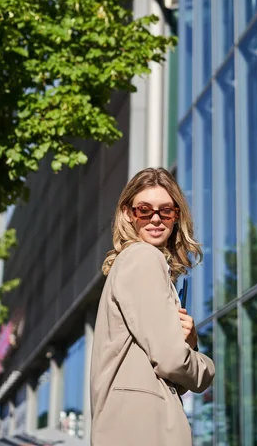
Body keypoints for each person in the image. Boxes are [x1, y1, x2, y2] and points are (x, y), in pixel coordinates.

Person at [90, 167, 215, 446]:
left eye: (166, 211)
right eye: (144, 210)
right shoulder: (144, 258)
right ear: (128, 214)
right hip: (144, 430)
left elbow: (168, 372)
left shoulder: (132, 263)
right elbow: (171, 360)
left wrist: (187, 346)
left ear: (176, 217)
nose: (155, 219)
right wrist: (204, 365)